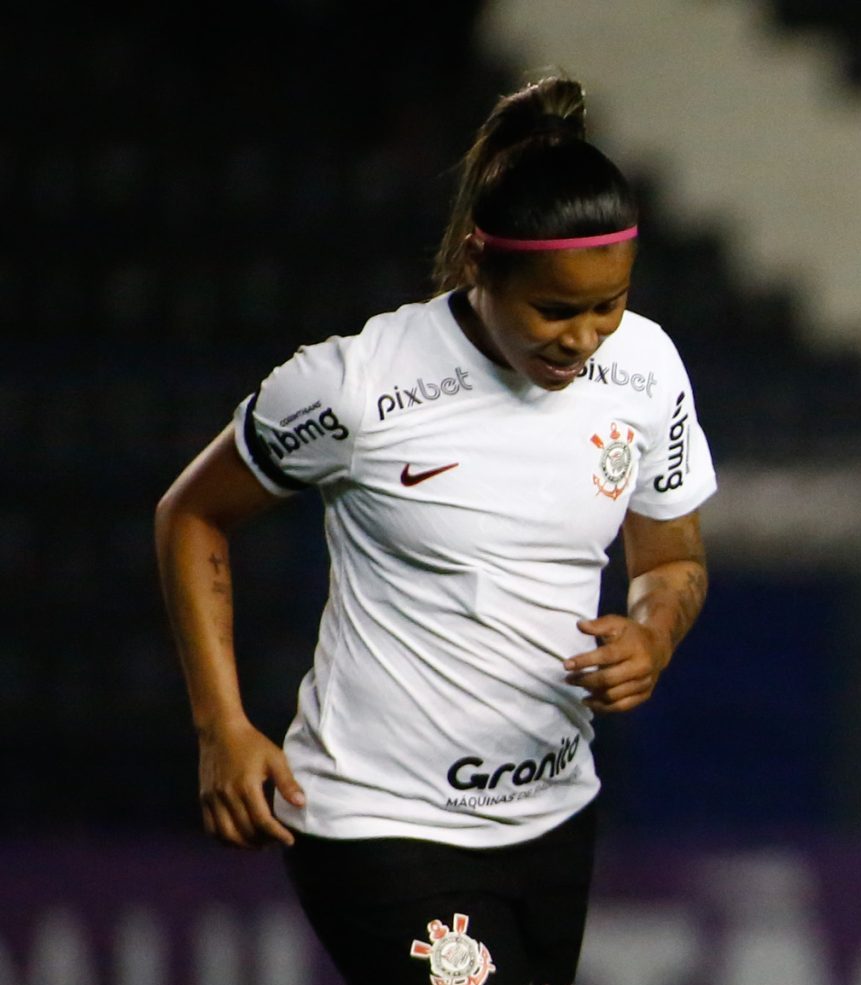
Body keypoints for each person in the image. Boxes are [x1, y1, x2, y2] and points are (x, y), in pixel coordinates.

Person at [153, 76, 715, 985]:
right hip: (378, 820)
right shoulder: (356, 387)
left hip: (554, 814)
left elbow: (673, 555)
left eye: (607, 305)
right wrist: (222, 726)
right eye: (554, 309)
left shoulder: (646, 369)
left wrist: (653, 633)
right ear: (477, 265)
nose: (584, 337)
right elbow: (192, 514)